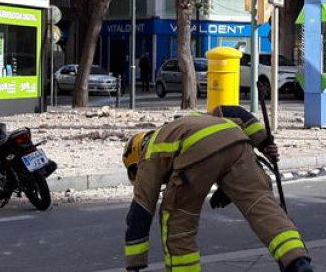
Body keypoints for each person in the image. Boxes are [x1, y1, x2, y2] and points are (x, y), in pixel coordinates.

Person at [121, 106, 315, 272]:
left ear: (135, 160)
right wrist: (264, 142)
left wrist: (134, 264)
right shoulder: (192, 119)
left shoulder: (149, 153)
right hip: (237, 141)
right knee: (262, 206)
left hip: (197, 149)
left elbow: (141, 209)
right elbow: (233, 111)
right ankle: (297, 261)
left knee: (177, 218)